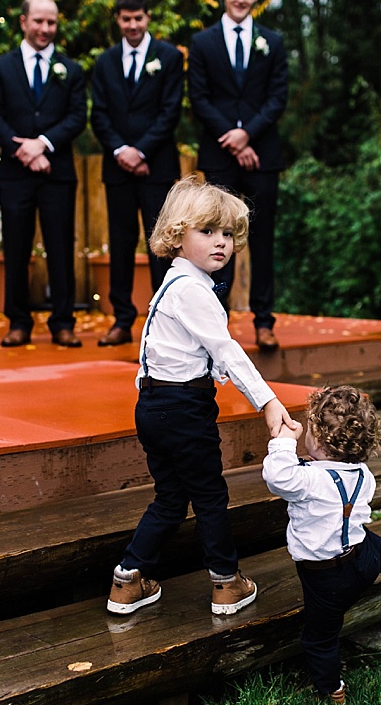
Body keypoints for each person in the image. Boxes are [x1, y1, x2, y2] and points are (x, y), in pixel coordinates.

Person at [107, 176, 299, 617]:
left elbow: (153, 349)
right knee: (210, 497)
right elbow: (226, 350)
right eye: (207, 232)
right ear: (176, 236)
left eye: (228, 234)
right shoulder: (194, 291)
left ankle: (128, 579)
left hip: (153, 407)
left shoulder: (174, 285)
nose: (222, 243)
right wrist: (267, 402)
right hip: (183, 410)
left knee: (172, 497)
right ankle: (226, 582)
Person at [262, 384, 381, 705]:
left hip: (326, 579)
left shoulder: (306, 481)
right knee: (366, 538)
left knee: (319, 638)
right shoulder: (364, 475)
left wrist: (282, 443)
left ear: (319, 440)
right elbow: (326, 474)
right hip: (362, 561)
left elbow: (277, 477)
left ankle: (331, 689)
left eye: (310, 428)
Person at [187, 0, 288, 351]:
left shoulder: (272, 42)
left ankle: (264, 322)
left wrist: (247, 136)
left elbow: (278, 97)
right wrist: (231, 137)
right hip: (219, 155)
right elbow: (199, 98)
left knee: (262, 241)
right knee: (217, 240)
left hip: (262, 155)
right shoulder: (202, 43)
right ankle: (217, 321)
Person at [0, 0, 86, 347]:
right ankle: (18, 322)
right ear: (24, 22)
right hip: (16, 173)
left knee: (60, 248)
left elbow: (76, 117)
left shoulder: (70, 69)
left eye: (51, 22)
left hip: (56, 173)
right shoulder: (1, 67)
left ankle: (63, 322)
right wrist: (21, 150)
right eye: (39, 21)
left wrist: (42, 143)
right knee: (16, 248)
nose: (45, 28)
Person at [89, 0, 184, 347]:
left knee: (161, 244)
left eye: (138, 18)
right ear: (118, 20)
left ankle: (165, 320)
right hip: (118, 169)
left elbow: (170, 111)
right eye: (125, 19)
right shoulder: (105, 62)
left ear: (147, 18)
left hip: (156, 167)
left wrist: (140, 151)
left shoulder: (169, 57)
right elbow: (98, 114)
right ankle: (121, 318)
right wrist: (121, 151)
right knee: (121, 242)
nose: (132, 25)